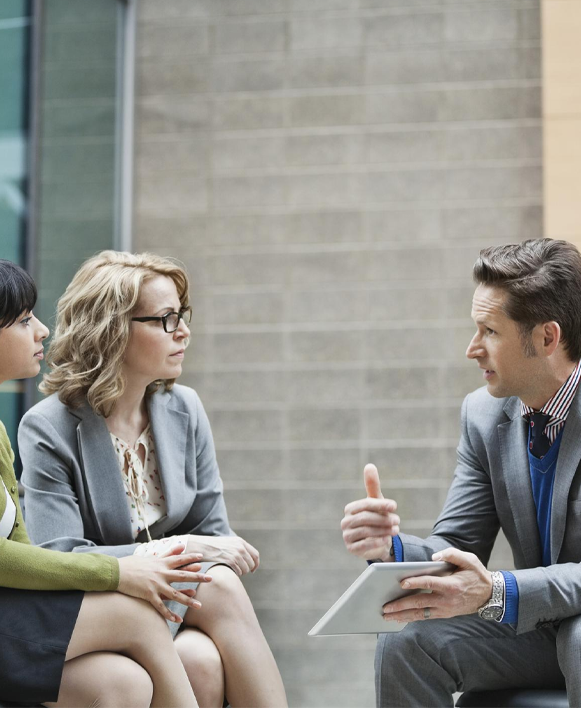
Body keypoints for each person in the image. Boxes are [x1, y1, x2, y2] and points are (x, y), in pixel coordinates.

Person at [19, 250, 287, 708]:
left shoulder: (184, 409)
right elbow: (57, 554)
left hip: (175, 608)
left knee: (200, 659)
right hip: (96, 609)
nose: (183, 331)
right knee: (218, 585)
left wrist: (198, 550)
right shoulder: (49, 426)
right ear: (112, 331)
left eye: (182, 315)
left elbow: (213, 532)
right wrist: (175, 550)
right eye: (165, 319)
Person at [341, 238, 581, 707]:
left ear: (547, 337)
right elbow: (457, 545)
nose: (472, 349)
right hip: (541, 627)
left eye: (489, 331)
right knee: (407, 642)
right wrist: (389, 546)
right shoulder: (483, 416)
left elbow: (495, 586)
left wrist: (497, 588)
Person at [0, 258, 211, 708]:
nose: (42, 330)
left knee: (126, 682)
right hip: (22, 612)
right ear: (113, 331)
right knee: (139, 614)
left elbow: (17, 543)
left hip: (23, 607)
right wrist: (121, 569)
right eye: (22, 320)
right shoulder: (45, 424)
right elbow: (37, 553)